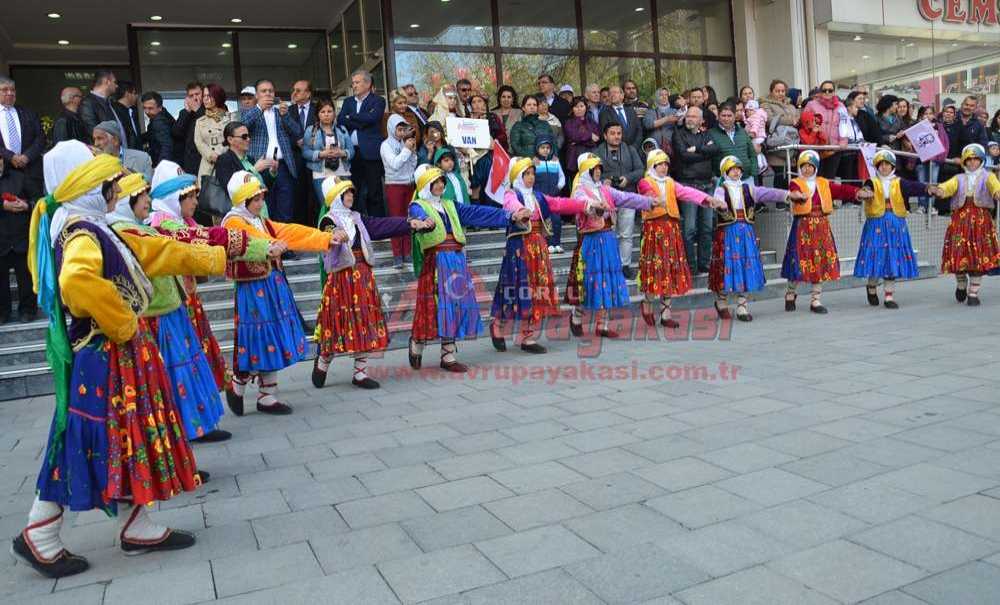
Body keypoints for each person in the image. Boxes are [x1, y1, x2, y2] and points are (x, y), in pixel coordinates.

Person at [14, 142, 230, 579]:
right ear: (88, 185)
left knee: (123, 436)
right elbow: (77, 281)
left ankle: (136, 524)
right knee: (86, 437)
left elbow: (161, 252)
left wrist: (225, 251)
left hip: (111, 355)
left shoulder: (92, 224)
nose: (114, 189)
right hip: (104, 355)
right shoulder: (81, 231)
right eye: (107, 182)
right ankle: (42, 532)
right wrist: (124, 325)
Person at [222, 171, 336, 414]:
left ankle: (267, 395)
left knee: (271, 337)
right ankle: (239, 383)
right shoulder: (233, 221)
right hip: (252, 289)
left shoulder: (259, 220)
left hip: (271, 284)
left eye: (261, 198)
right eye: (255, 199)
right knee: (257, 338)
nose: (261, 203)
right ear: (243, 202)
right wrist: (271, 245)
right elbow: (253, 240)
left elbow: (288, 231)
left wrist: (324, 238)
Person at [407, 164, 528, 372]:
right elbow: (415, 216)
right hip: (436, 262)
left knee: (454, 306)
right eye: (433, 182)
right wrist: (420, 221)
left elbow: (477, 212)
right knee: (433, 307)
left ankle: (448, 355)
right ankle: (417, 342)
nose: (439, 185)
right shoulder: (417, 206)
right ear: (424, 185)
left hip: (455, 260)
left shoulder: (450, 205)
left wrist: (510, 216)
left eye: (440, 182)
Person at [313, 177, 426, 389]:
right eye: (344, 192)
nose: (350, 196)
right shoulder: (327, 219)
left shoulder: (357, 218)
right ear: (334, 197)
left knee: (365, 321)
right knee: (337, 323)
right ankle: (323, 360)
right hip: (341, 279)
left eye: (350, 192)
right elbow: (327, 232)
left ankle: (360, 373)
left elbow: (381, 225)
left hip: (362, 275)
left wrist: (409, 223)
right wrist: (335, 234)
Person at [490, 157, 587, 353]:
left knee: (536, 289)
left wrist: (584, 206)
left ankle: (528, 337)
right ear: (517, 176)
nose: (531, 177)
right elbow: (510, 205)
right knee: (513, 287)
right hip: (518, 248)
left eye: (533, 173)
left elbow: (559, 203)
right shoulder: (511, 194)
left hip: (538, 247)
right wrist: (521, 210)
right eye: (526, 174)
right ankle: (497, 326)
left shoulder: (539, 197)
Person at [563, 153, 657, 337]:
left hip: (607, 239)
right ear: (586, 171)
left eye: (599, 168)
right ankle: (577, 315)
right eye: (593, 169)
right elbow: (583, 204)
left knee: (607, 281)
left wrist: (648, 201)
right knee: (589, 281)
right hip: (589, 241)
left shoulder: (606, 190)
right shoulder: (580, 190)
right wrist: (596, 207)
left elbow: (625, 197)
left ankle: (602, 325)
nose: (597, 172)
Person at [637, 149, 724, 327]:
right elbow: (647, 194)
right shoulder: (645, 181)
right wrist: (653, 199)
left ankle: (666, 313)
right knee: (655, 269)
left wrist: (708, 199)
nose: (663, 167)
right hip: (654, 230)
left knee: (669, 268)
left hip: (671, 229)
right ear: (652, 165)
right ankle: (647, 301)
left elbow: (687, 192)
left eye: (665, 164)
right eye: (659, 164)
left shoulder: (670, 183)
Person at [710, 156, 800, 321]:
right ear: (725, 171)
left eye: (738, 169)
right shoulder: (721, 189)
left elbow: (768, 193)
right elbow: (718, 200)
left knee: (745, 266)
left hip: (746, 232)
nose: (736, 172)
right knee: (727, 266)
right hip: (728, 233)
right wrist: (720, 204)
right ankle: (721, 301)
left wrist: (787, 195)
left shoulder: (748, 188)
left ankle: (742, 306)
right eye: (732, 169)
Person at [781, 151, 868, 314]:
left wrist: (857, 192)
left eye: (810, 166)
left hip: (821, 227)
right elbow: (793, 192)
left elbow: (842, 189)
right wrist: (797, 196)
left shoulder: (823, 183)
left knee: (820, 262)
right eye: (804, 166)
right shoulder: (796, 182)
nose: (807, 169)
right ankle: (791, 293)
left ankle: (816, 300)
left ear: (816, 167)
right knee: (797, 261)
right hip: (802, 227)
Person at [929, 143, 1000, 305]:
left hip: (981, 221)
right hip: (960, 220)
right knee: (958, 252)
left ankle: (973, 293)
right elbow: (947, 187)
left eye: (975, 159)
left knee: (978, 255)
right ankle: (961, 284)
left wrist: (997, 192)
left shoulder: (989, 176)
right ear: (964, 161)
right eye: (969, 159)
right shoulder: (959, 178)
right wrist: (939, 190)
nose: (972, 162)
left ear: (981, 160)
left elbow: (995, 187)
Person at [853, 150, 924, 308]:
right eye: (881, 164)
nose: (884, 167)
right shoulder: (872, 181)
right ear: (877, 166)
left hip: (896, 224)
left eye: (887, 164)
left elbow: (914, 187)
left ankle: (889, 296)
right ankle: (872, 286)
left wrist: (928, 189)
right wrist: (864, 193)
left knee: (892, 258)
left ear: (893, 166)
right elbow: (865, 189)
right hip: (876, 224)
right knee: (876, 256)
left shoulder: (899, 182)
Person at [672, 106, 718, 275]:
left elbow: (715, 149)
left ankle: (704, 264)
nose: (689, 119)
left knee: (707, 227)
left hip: (707, 185)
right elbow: (684, 156)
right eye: (687, 116)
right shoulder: (678, 134)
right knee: (690, 228)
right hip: (688, 185)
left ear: (701, 120)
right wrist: (704, 151)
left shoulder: (707, 134)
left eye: (693, 116)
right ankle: (691, 266)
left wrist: (697, 149)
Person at [595, 121, 644, 280]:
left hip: (627, 195)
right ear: (605, 135)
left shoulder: (630, 150)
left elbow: (640, 170)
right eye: (612, 133)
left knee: (626, 233)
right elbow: (591, 174)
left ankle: (625, 265)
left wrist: (627, 178)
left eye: (619, 133)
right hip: (606, 198)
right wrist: (605, 180)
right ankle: (609, 265)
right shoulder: (597, 153)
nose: (616, 136)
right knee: (608, 234)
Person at [338, 70, 387, 216]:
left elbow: (373, 118)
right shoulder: (347, 101)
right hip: (352, 154)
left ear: (367, 83)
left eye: (357, 82)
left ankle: (378, 226)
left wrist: (352, 117)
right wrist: (362, 119)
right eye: (353, 83)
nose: (354, 86)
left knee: (374, 192)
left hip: (371, 153)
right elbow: (341, 120)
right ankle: (358, 227)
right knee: (353, 192)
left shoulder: (378, 100)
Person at [305, 99, 355, 218]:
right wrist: (321, 154)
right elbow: (305, 152)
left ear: (334, 113)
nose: (326, 114)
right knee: (326, 206)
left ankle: (347, 234)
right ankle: (330, 234)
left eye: (329, 111)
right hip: (321, 174)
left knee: (345, 206)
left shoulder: (342, 129)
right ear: (318, 114)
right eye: (323, 112)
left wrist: (342, 153)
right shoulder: (311, 130)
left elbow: (352, 151)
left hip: (343, 173)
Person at [380, 113, 418, 268]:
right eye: (399, 129)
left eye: (404, 129)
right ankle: (397, 254)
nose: (402, 133)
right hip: (394, 185)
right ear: (391, 128)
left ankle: (407, 252)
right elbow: (395, 164)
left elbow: (412, 164)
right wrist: (407, 150)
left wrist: (412, 151)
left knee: (409, 218)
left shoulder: (405, 143)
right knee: (396, 220)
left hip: (408, 184)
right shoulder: (386, 145)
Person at [214, 121, 277, 201]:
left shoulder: (250, 159)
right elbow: (232, 189)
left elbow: (263, 186)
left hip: (260, 209)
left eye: (248, 136)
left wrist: (272, 171)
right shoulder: (224, 160)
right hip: (240, 211)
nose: (248, 139)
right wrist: (255, 170)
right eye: (244, 136)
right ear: (230, 139)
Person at [759, 79, 800, 186]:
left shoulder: (791, 106)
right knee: (780, 183)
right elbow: (770, 120)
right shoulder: (765, 105)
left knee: (793, 184)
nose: (780, 93)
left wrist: (789, 119)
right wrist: (791, 120)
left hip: (792, 147)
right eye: (777, 91)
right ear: (771, 91)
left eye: (782, 91)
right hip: (777, 148)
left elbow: (798, 119)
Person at [804, 81, 847, 178]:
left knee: (830, 179)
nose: (827, 92)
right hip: (816, 148)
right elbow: (805, 123)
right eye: (824, 90)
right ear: (820, 92)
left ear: (834, 92)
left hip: (834, 148)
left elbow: (844, 124)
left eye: (830, 90)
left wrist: (843, 141)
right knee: (816, 177)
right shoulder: (811, 104)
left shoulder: (841, 106)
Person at [531, 133, 566, 253]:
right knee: (545, 220)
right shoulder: (534, 163)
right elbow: (530, 179)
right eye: (542, 148)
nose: (545, 150)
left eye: (548, 148)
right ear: (537, 149)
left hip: (554, 196)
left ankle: (557, 242)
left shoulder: (555, 161)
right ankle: (548, 243)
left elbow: (562, 177)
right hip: (541, 197)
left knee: (556, 220)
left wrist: (558, 187)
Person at [194, 83, 236, 180]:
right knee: (207, 193)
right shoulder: (200, 121)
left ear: (217, 96)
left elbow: (236, 140)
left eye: (209, 96)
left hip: (228, 164)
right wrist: (211, 155)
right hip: (208, 166)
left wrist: (223, 158)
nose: (205, 99)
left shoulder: (231, 118)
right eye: (204, 96)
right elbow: (199, 142)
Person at [709, 104, 758, 183]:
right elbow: (708, 159)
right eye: (723, 115)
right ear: (718, 116)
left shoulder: (742, 131)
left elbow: (752, 154)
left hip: (747, 179)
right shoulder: (711, 134)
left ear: (734, 116)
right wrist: (714, 177)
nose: (726, 118)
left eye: (729, 115)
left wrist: (753, 173)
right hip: (724, 181)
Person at [79, 70, 125, 145]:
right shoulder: (87, 103)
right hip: (105, 153)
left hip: (119, 152)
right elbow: (94, 133)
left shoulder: (110, 102)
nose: (116, 86)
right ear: (107, 82)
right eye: (114, 82)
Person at [564, 96, 601, 187]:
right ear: (572, 109)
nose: (579, 109)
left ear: (586, 107)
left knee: (592, 184)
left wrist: (579, 140)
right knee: (577, 184)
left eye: (581, 106)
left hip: (590, 155)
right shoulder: (569, 122)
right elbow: (573, 135)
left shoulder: (591, 122)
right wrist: (589, 136)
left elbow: (596, 138)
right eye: (576, 107)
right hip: (574, 158)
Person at [171, 82, 205, 173]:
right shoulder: (185, 112)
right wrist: (186, 111)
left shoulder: (209, 110)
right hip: (189, 162)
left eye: (197, 94)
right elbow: (176, 133)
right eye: (191, 96)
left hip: (205, 159)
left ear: (203, 95)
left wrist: (198, 110)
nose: (194, 97)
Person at [140, 91, 175, 166]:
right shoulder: (163, 116)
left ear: (159, 108)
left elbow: (166, 146)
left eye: (150, 108)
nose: (147, 112)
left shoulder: (159, 121)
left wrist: (161, 168)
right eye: (144, 108)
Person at [644, 87, 680, 154]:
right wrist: (667, 119)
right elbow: (648, 125)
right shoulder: (651, 111)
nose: (664, 97)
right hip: (654, 148)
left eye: (666, 95)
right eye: (661, 95)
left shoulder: (674, 111)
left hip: (672, 147)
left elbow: (680, 125)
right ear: (657, 97)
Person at [113, 81, 143, 151]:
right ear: (127, 94)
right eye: (134, 93)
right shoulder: (115, 112)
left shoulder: (132, 111)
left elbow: (136, 137)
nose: (137, 96)